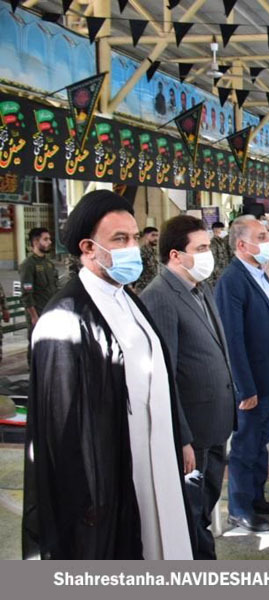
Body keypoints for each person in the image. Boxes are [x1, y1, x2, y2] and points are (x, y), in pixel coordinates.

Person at [23, 190, 195, 559]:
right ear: (88, 248)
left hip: (156, 456)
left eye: (134, 237)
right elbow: (60, 428)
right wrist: (89, 499)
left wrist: (178, 438)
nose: (133, 248)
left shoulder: (127, 298)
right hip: (109, 477)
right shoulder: (66, 316)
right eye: (120, 239)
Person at [140, 215, 237, 560]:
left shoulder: (200, 288)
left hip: (215, 423)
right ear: (176, 255)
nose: (209, 254)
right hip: (192, 432)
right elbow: (163, 376)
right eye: (202, 248)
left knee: (204, 508)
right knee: (190, 517)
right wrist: (180, 438)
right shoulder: (159, 297)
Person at [214, 216, 269, 532]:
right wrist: (244, 388)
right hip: (252, 383)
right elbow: (233, 340)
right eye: (261, 237)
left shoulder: (259, 274)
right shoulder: (232, 281)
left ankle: (256, 496)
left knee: (261, 441)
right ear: (241, 244)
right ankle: (239, 508)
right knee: (245, 446)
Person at [20, 227, 59, 364]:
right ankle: (33, 371)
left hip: (51, 310)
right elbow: (26, 293)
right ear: (36, 242)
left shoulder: (48, 264)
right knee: (37, 344)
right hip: (38, 312)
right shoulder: (28, 265)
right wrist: (33, 316)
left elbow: (55, 287)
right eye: (45, 239)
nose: (49, 242)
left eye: (49, 239)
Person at [134, 226, 160, 293]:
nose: (156, 238)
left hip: (154, 287)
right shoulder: (141, 252)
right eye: (153, 235)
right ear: (146, 236)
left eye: (157, 235)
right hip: (142, 289)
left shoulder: (154, 252)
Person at [209, 220, 232, 286]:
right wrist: (216, 275)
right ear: (215, 230)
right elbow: (214, 261)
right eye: (221, 229)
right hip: (218, 275)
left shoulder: (222, 241)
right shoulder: (213, 243)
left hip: (224, 271)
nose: (223, 231)